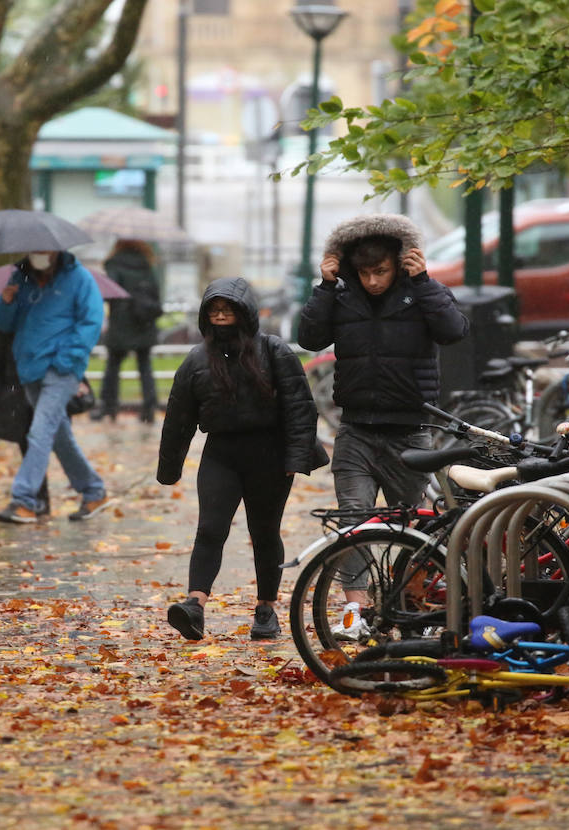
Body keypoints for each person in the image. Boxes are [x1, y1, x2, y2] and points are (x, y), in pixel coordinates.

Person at [297, 214, 469, 639]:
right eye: (365, 273)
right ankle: (355, 611)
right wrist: (324, 286)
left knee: (412, 527)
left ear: (399, 264)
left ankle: (409, 609)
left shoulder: (422, 291)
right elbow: (310, 338)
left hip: (409, 431)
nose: (373, 281)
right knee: (353, 523)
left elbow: (453, 330)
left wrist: (423, 281)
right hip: (356, 429)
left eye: (381, 271)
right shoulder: (341, 297)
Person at [158, 277, 328, 641]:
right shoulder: (196, 360)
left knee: (264, 532)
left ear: (245, 313)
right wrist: (169, 468)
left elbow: (300, 407)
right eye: (214, 311)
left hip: (270, 456)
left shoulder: (273, 350)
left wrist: (296, 458)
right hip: (220, 454)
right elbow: (178, 418)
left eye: (228, 310)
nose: (221, 316)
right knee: (209, 529)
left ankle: (266, 609)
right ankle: (194, 605)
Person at [0, 250, 113, 524]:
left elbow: (92, 321)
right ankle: (94, 491)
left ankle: (24, 500)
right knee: (59, 436)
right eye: (35, 250)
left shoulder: (79, 278)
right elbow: (4, 324)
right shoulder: (20, 278)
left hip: (62, 370)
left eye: (44, 250)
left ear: (57, 250)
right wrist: (5, 302)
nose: (39, 255)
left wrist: (68, 360)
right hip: (29, 368)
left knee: (40, 431)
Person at [94, 239, 163, 423]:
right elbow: (156, 293)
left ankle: (109, 407)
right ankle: (149, 408)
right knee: (145, 366)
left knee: (113, 366)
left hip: (121, 323)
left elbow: (110, 292)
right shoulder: (147, 264)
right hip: (143, 321)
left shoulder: (115, 263)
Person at [0, 329, 51, 520]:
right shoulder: (9, 325)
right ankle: (36, 499)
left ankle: (90, 489)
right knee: (29, 443)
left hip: (44, 387)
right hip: (17, 391)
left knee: (45, 443)